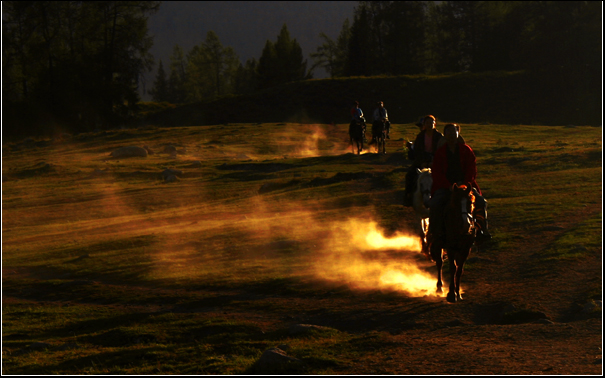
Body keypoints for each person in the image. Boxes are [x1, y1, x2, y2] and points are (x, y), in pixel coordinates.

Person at [428, 123, 492, 243]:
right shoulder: (440, 152)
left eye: (454, 132)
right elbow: (436, 173)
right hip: (445, 187)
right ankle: (434, 233)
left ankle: (482, 230)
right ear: (445, 135)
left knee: (480, 202)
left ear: (458, 134)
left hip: (465, 186)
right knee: (435, 204)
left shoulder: (466, 150)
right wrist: (449, 186)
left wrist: (466, 184)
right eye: (449, 132)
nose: (452, 134)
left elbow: (472, 169)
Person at [403, 115, 443, 206]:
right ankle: (408, 197)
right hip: (422, 160)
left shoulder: (439, 136)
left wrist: (433, 162)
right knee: (410, 175)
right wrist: (422, 162)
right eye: (427, 123)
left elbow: (441, 151)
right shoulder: (420, 136)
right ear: (424, 124)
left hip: (435, 161)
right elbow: (417, 151)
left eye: (431, 123)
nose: (429, 125)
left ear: (434, 124)